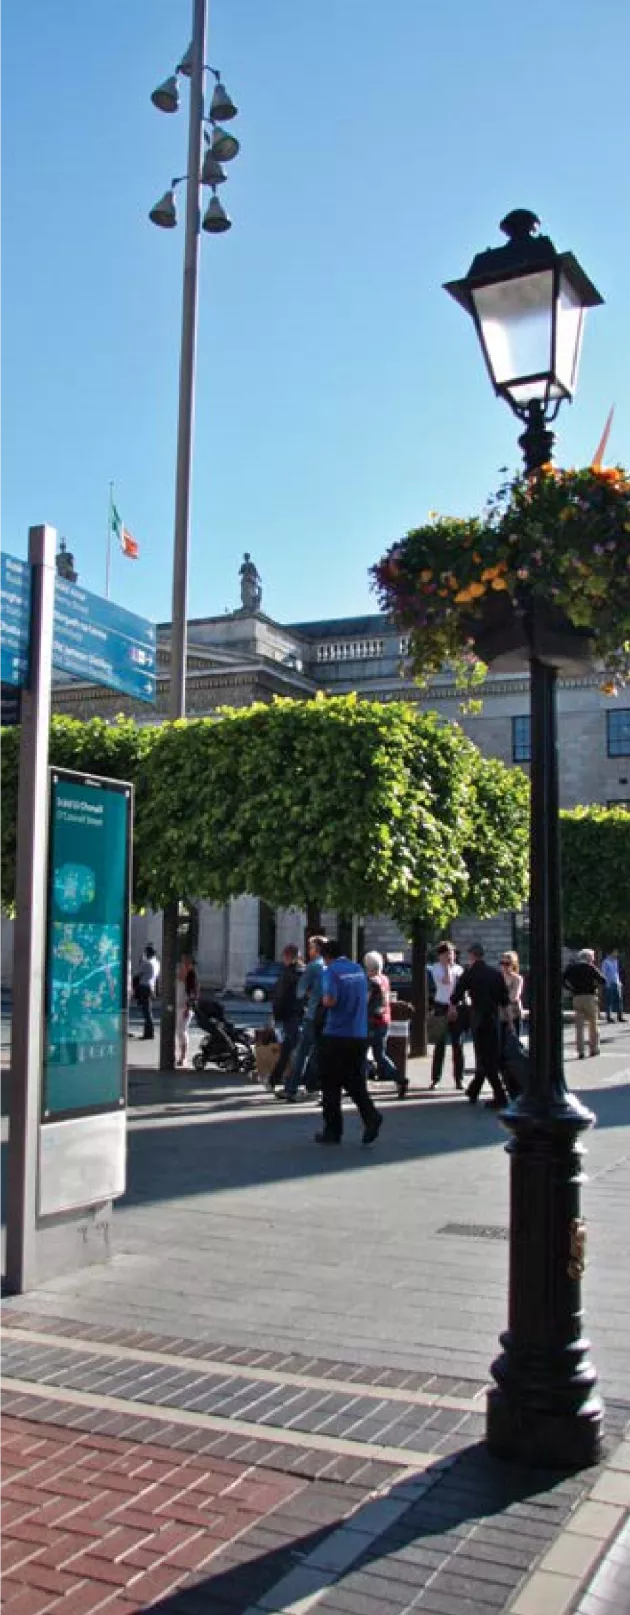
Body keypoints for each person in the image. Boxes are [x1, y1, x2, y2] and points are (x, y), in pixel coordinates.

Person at [316, 940, 382, 1146]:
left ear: (326, 957)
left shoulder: (331, 971)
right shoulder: (357, 969)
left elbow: (330, 1001)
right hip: (358, 1033)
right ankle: (370, 1116)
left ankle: (333, 1131)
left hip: (336, 1033)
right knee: (355, 1082)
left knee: (330, 1083)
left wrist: (319, 999)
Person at [449, 943, 509, 1108]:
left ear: (472, 956)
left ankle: (500, 1095)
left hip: (478, 1018)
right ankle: (474, 1090)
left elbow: (456, 995)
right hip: (493, 1018)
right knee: (489, 1055)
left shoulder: (470, 973)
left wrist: (456, 1004)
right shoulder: (495, 974)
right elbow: (504, 1000)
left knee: (484, 1057)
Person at [282, 934, 327, 1100]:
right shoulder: (328, 966)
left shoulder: (313, 966)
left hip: (312, 1013)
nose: (309, 951)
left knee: (302, 1052)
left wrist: (309, 993)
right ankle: (312, 1085)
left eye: (311, 947)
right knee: (318, 1052)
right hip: (326, 1015)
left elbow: (300, 992)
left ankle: (291, 1088)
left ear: (317, 950)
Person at [364, 951, 408, 1098]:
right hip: (384, 1020)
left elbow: (365, 1000)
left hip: (372, 1021)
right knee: (379, 1055)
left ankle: (360, 1086)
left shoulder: (372, 982)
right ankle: (399, 1078)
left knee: (362, 1053)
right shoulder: (384, 979)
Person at [428, 941, 464, 1090]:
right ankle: (436, 1078)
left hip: (456, 1007)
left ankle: (459, 1079)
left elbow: (460, 989)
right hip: (441, 1006)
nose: (450, 956)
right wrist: (447, 967)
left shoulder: (459, 969)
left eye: (452, 953)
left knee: (458, 1044)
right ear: (440, 955)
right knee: (440, 1044)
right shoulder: (435, 969)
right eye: (447, 953)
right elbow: (447, 981)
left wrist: (454, 1006)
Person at [562, 948, 606, 1059]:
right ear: (588, 957)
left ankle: (580, 1051)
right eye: (592, 957)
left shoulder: (572, 968)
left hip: (576, 996)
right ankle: (593, 1048)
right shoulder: (590, 967)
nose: (593, 960)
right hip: (589, 996)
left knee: (579, 1026)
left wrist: (570, 988)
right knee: (593, 1024)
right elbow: (603, 980)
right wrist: (595, 986)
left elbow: (562, 979)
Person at [271, 945, 303, 1091]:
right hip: (298, 1013)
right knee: (291, 1047)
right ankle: (280, 1077)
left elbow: (280, 996)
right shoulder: (301, 971)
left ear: (287, 956)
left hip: (290, 1014)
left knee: (290, 1047)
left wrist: (276, 1015)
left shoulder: (288, 973)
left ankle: (280, 1078)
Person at [176, 955, 198, 1068]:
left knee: (182, 1031)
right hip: (177, 1006)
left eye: (185, 962)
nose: (182, 964)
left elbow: (193, 995)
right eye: (182, 962)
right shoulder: (179, 974)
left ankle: (183, 1057)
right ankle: (180, 1055)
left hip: (184, 1007)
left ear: (190, 965)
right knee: (179, 1032)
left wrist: (187, 1007)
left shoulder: (191, 977)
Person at [136, 944, 160, 1040]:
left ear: (148, 953)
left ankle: (149, 1033)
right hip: (151, 986)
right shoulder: (156, 963)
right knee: (148, 1010)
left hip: (144, 986)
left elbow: (138, 973)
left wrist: (141, 961)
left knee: (146, 1011)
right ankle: (149, 1032)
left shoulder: (147, 963)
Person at [500, 951, 524, 1040]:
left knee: (514, 1042)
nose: (504, 966)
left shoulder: (517, 978)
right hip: (500, 1015)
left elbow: (514, 997)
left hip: (514, 1014)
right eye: (502, 963)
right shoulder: (498, 977)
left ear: (513, 964)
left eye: (507, 964)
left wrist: (500, 998)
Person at [601, 949, 625, 1024]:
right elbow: (603, 973)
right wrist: (606, 983)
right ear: (611, 953)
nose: (617, 954)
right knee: (609, 1000)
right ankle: (609, 1017)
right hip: (609, 983)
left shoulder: (616, 961)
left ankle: (620, 1017)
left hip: (617, 982)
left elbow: (617, 972)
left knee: (619, 1000)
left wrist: (619, 981)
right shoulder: (605, 962)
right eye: (615, 952)